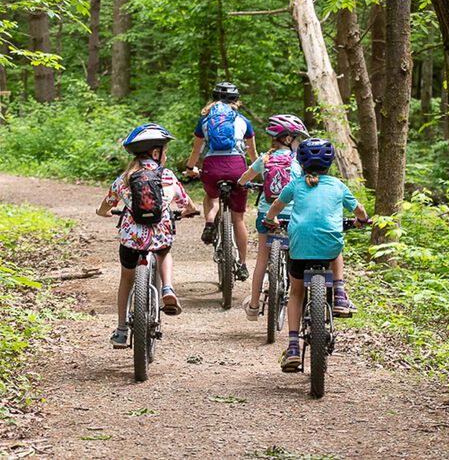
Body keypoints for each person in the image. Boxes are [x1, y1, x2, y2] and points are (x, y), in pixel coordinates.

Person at [264, 138, 369, 372]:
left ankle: (292, 346)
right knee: (336, 244)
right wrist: (362, 220)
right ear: (330, 163)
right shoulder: (338, 186)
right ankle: (339, 292)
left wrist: (270, 220)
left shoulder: (295, 185)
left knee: (296, 293)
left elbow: (275, 208)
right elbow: (359, 210)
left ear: (300, 162)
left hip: (300, 246)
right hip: (329, 245)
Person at [96, 123, 197, 349]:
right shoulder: (167, 176)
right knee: (165, 252)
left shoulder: (125, 177)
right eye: (164, 150)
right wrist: (188, 210)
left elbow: (106, 204)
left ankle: (122, 329)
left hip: (131, 239)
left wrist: (103, 212)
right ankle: (168, 288)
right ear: (155, 152)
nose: (166, 154)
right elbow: (186, 203)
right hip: (159, 235)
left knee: (126, 279)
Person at [237, 114, 308, 321]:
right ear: (288, 139)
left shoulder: (265, 158)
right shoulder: (298, 161)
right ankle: (300, 302)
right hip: (292, 215)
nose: (298, 143)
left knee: (262, 259)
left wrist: (243, 184)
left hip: (267, 215)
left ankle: (253, 305)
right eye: (297, 139)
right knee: (295, 255)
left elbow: (244, 178)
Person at [185, 82, 258, 281]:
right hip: (237, 167)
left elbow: (196, 150)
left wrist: (190, 168)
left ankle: (209, 223)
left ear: (213, 99)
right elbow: (252, 153)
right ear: (236, 101)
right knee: (238, 219)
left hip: (212, 166)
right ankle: (242, 265)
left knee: (211, 196)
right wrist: (257, 172)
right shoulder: (243, 121)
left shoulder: (205, 120)